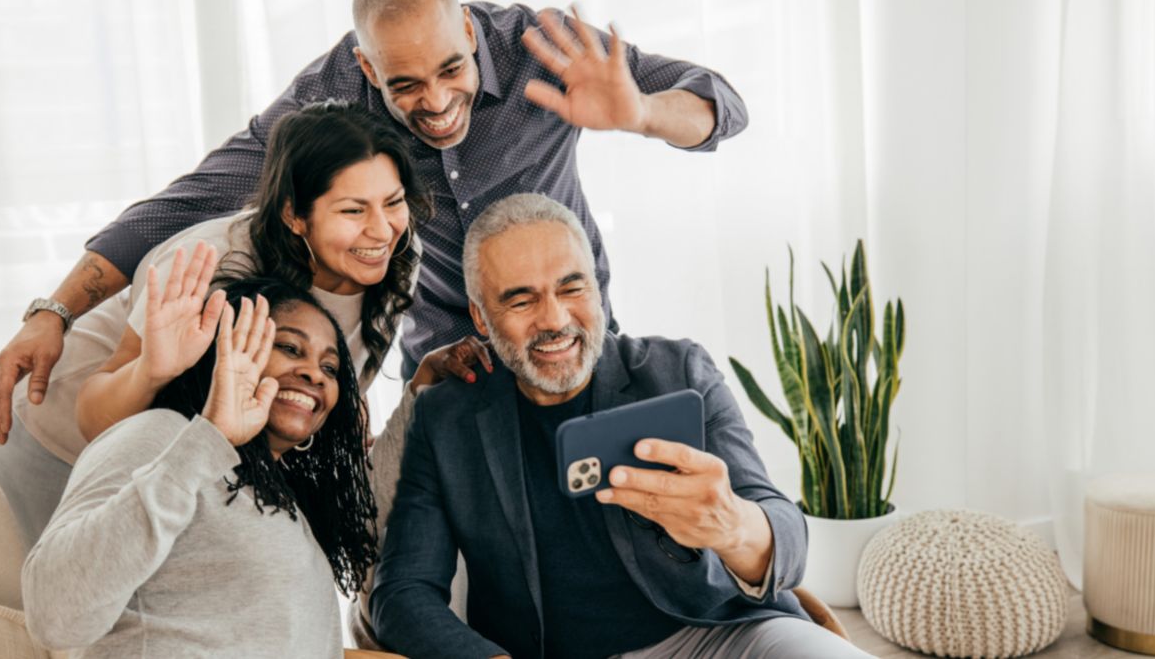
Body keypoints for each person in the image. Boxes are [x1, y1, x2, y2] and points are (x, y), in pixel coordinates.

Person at [0, 0, 748, 426]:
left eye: (454, 70)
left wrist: (644, 114)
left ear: (474, 34)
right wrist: (55, 309)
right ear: (367, 66)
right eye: (406, 85)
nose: (439, 103)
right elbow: (196, 198)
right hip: (451, 366)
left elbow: (719, 103)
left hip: (572, 333)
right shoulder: (329, 97)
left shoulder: (540, 49)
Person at [369, 194, 873, 659]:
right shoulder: (445, 418)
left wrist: (732, 524)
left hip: (716, 635)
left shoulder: (678, 372)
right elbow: (402, 592)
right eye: (521, 301)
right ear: (480, 317)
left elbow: (785, 534)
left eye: (572, 287)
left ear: (598, 287)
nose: (555, 319)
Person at [0, 101, 462, 547]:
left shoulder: (397, 255)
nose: (381, 230)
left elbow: (336, 379)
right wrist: (152, 371)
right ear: (294, 214)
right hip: (59, 436)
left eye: (393, 202)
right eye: (353, 210)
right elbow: (97, 421)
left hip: (183, 464)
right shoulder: (212, 262)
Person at [23, 277, 375, 657]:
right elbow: (54, 614)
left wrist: (420, 391)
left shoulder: (276, 498)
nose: (315, 374)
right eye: (289, 348)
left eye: (331, 367)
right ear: (220, 352)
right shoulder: (160, 435)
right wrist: (210, 438)